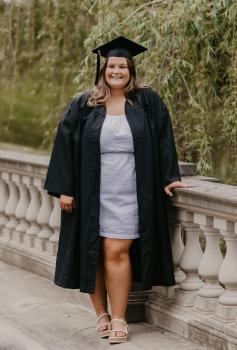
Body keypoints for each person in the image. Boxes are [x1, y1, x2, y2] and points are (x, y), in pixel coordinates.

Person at [44, 36, 190, 344]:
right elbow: (64, 146)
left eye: (122, 66)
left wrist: (169, 176)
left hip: (131, 192)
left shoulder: (148, 102)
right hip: (91, 191)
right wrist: (65, 189)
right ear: (103, 70)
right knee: (92, 252)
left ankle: (120, 317)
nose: (116, 71)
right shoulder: (85, 103)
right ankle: (102, 314)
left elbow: (164, 138)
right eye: (111, 66)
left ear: (131, 69)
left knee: (116, 249)